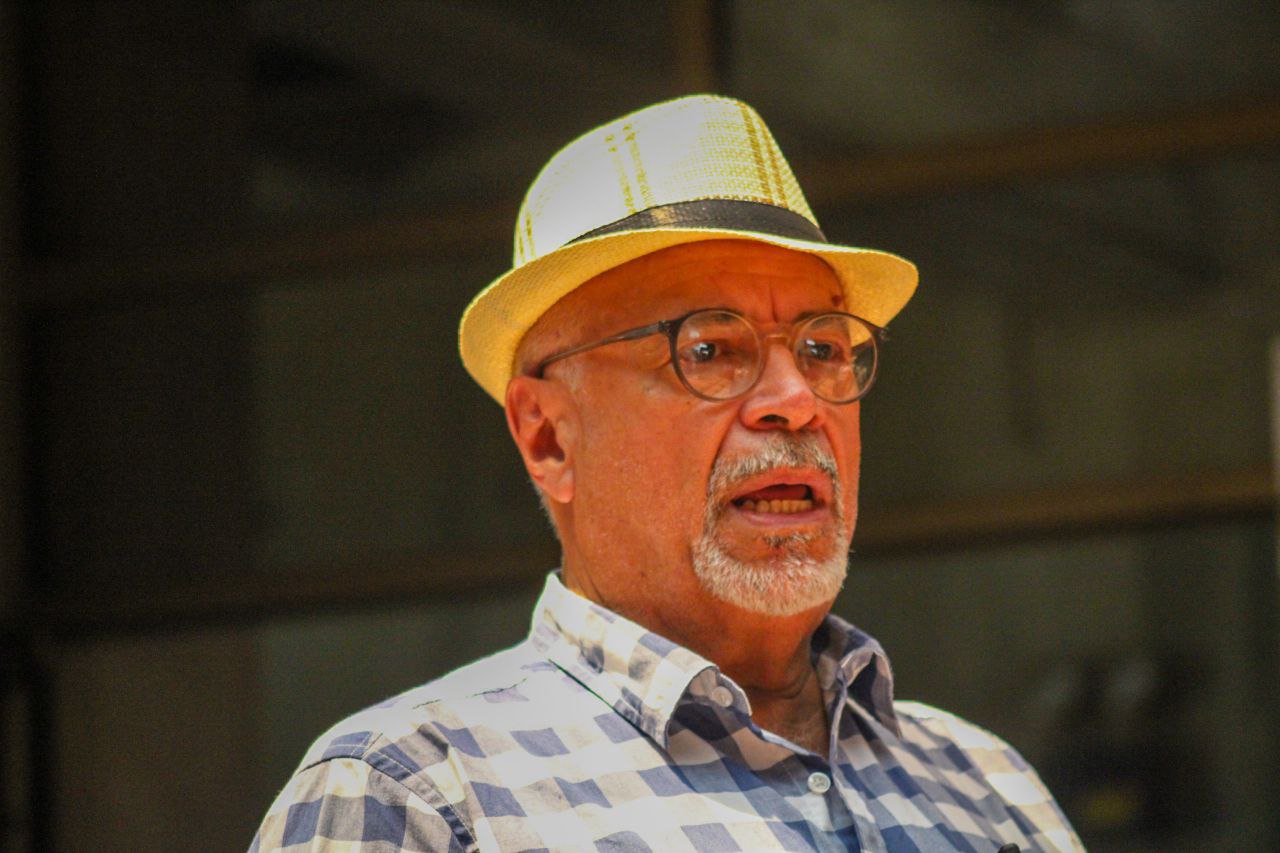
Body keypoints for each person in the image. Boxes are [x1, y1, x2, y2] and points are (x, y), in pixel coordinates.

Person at [252, 95, 1082, 852]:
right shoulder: (415, 795)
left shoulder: (988, 787)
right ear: (547, 437)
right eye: (710, 349)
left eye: (823, 347)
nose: (796, 402)